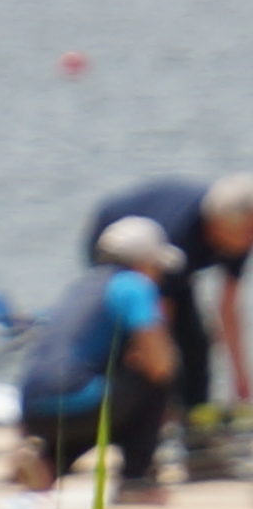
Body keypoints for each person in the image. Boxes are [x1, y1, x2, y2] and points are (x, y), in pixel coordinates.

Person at [1, 215, 182, 509]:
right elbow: (160, 364)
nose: (160, 275)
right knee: (152, 382)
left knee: (103, 399)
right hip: (79, 402)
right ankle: (136, 482)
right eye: (157, 266)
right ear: (144, 262)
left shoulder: (81, 286)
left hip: (33, 410)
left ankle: (47, 461)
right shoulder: (134, 285)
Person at [84, 175, 253, 471]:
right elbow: (156, 320)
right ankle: (140, 437)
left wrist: (241, 380)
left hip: (170, 264)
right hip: (122, 246)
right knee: (144, 350)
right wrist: (164, 379)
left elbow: (228, 308)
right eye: (245, 236)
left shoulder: (240, 233)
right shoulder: (182, 233)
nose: (248, 245)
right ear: (217, 228)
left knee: (197, 345)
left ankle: (196, 439)